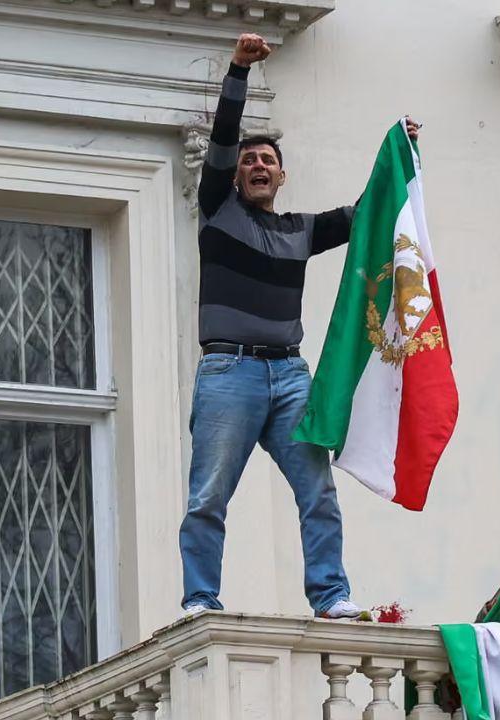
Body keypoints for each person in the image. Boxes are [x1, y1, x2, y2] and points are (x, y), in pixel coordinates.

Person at [179, 33, 421, 619]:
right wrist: (238, 71)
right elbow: (222, 139)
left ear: (282, 176)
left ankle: (331, 596)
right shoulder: (218, 212)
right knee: (210, 495)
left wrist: (405, 152)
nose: (257, 165)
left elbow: (370, 214)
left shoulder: (299, 231)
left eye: (268, 161)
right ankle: (201, 600)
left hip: (289, 376)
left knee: (318, 492)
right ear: (235, 177)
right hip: (229, 370)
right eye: (249, 161)